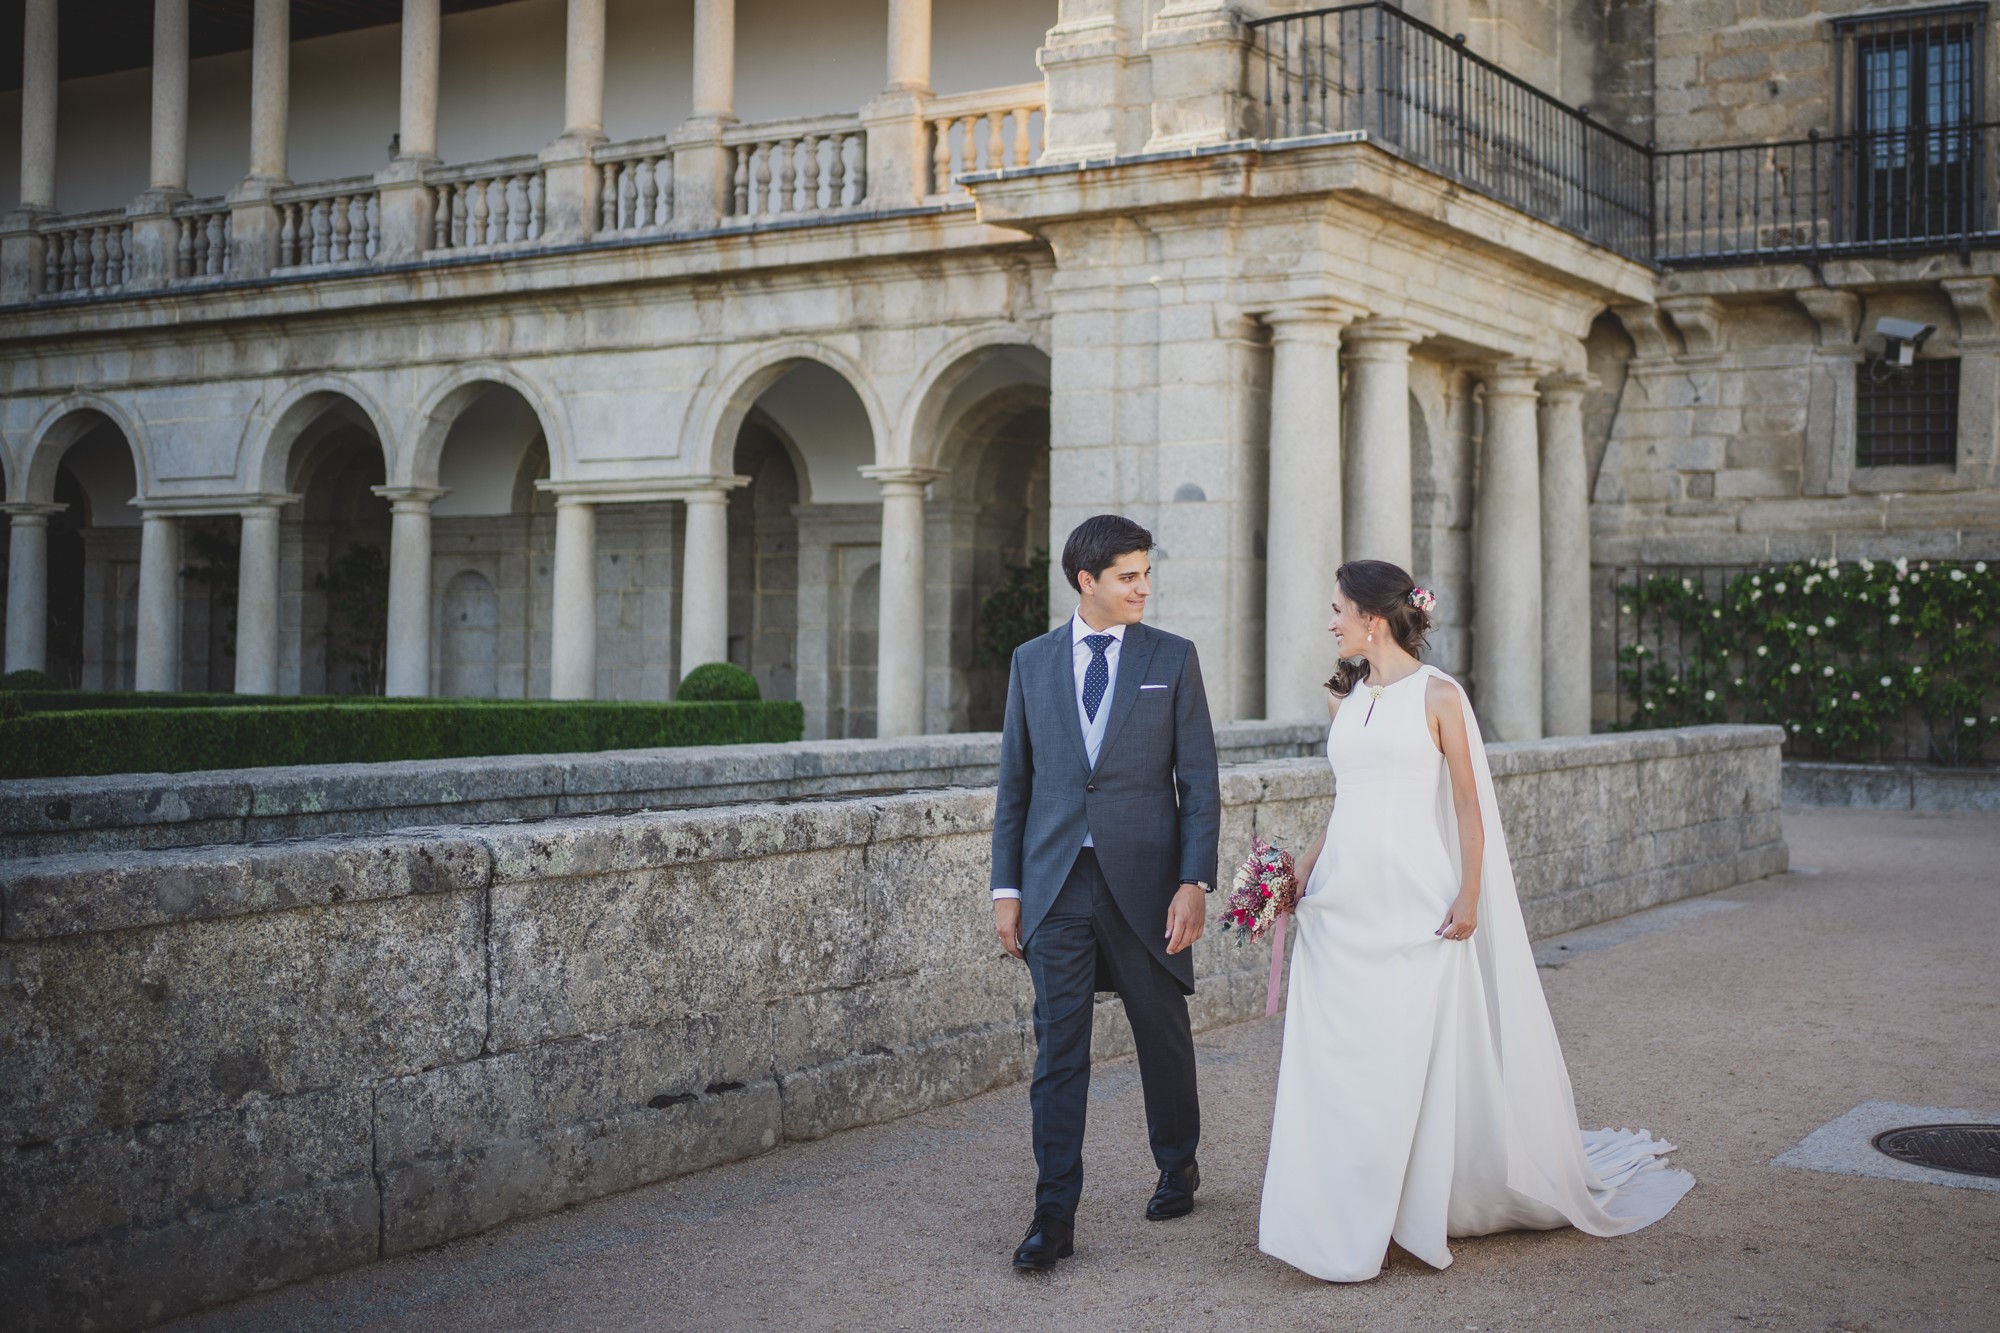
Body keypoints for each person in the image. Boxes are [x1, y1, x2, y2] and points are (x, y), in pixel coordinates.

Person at [1258, 559, 1694, 1282]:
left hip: (1414, 902)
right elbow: (1345, 805)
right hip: (1341, 905)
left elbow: (1467, 801)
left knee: (1404, 1060)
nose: (1329, 622)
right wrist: (1297, 874)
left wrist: (1469, 893)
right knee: (1339, 1062)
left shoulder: (1439, 695)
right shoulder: (1345, 698)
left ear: (1372, 617)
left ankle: (1403, 1211)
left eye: (1337, 608)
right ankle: (1333, 1209)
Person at [989, 514, 1221, 1271]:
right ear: (1086, 581)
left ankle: (1177, 1159)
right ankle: (1052, 1216)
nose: (1143, 587)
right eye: (1128, 576)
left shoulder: (1173, 658)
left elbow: (1200, 782)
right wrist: (1007, 887)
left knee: (1162, 1033)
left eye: (1146, 573)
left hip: (1148, 884)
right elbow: (1014, 786)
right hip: (1057, 884)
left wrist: (1194, 880)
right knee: (1058, 1053)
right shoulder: (1030, 661)